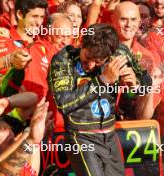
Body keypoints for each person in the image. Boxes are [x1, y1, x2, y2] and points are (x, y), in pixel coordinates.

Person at [48, 23, 133, 176]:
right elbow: (63, 103)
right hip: (81, 137)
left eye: (98, 61)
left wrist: (134, 85)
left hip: (110, 136)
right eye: (87, 58)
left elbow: (144, 84)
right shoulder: (63, 59)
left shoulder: (119, 53)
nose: (91, 65)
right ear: (81, 41)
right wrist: (102, 80)